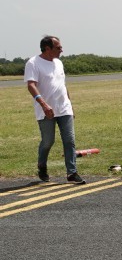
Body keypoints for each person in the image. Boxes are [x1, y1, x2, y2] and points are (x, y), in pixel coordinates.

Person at [24, 35, 85, 184]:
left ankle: (72, 173)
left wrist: (70, 105)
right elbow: (31, 85)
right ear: (47, 48)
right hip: (46, 110)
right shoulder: (33, 63)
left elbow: (62, 86)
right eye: (58, 47)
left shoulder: (58, 63)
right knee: (48, 141)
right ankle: (42, 165)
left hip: (64, 109)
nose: (61, 50)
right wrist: (44, 105)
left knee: (69, 140)